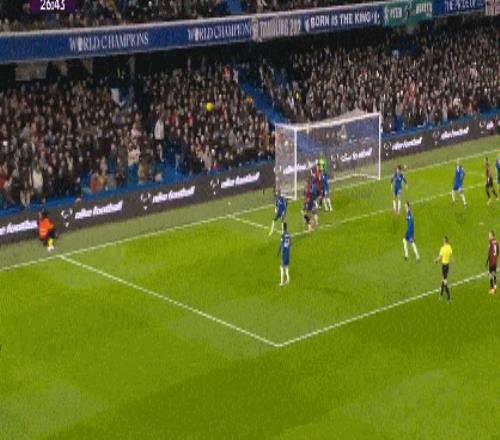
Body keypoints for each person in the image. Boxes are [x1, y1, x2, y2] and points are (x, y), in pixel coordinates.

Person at [435, 236, 453, 303]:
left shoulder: (442, 248)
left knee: (445, 282)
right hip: (447, 266)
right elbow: (451, 255)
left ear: (445, 241)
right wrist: (452, 261)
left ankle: (448, 298)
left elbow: (440, 257)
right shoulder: (449, 247)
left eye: (443, 240)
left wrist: (436, 261)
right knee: (443, 280)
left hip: (444, 266)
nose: (442, 241)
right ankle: (441, 295)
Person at [277, 222, 291, 287]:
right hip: (288, 253)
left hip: (284, 253)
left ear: (283, 227)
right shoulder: (289, 234)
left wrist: (278, 252)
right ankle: (288, 280)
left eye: (282, 226)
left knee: (281, 268)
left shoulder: (283, 235)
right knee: (286, 267)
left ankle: (282, 283)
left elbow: (281, 244)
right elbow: (290, 243)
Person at [487, 230, 498, 295]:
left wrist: (488, 261)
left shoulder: (490, 242)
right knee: (494, 274)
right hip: (495, 261)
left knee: (491, 275)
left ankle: (492, 289)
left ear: (492, 236)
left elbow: (489, 253)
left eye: (489, 235)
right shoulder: (496, 242)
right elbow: (498, 251)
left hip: (491, 261)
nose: (488, 236)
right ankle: (495, 287)